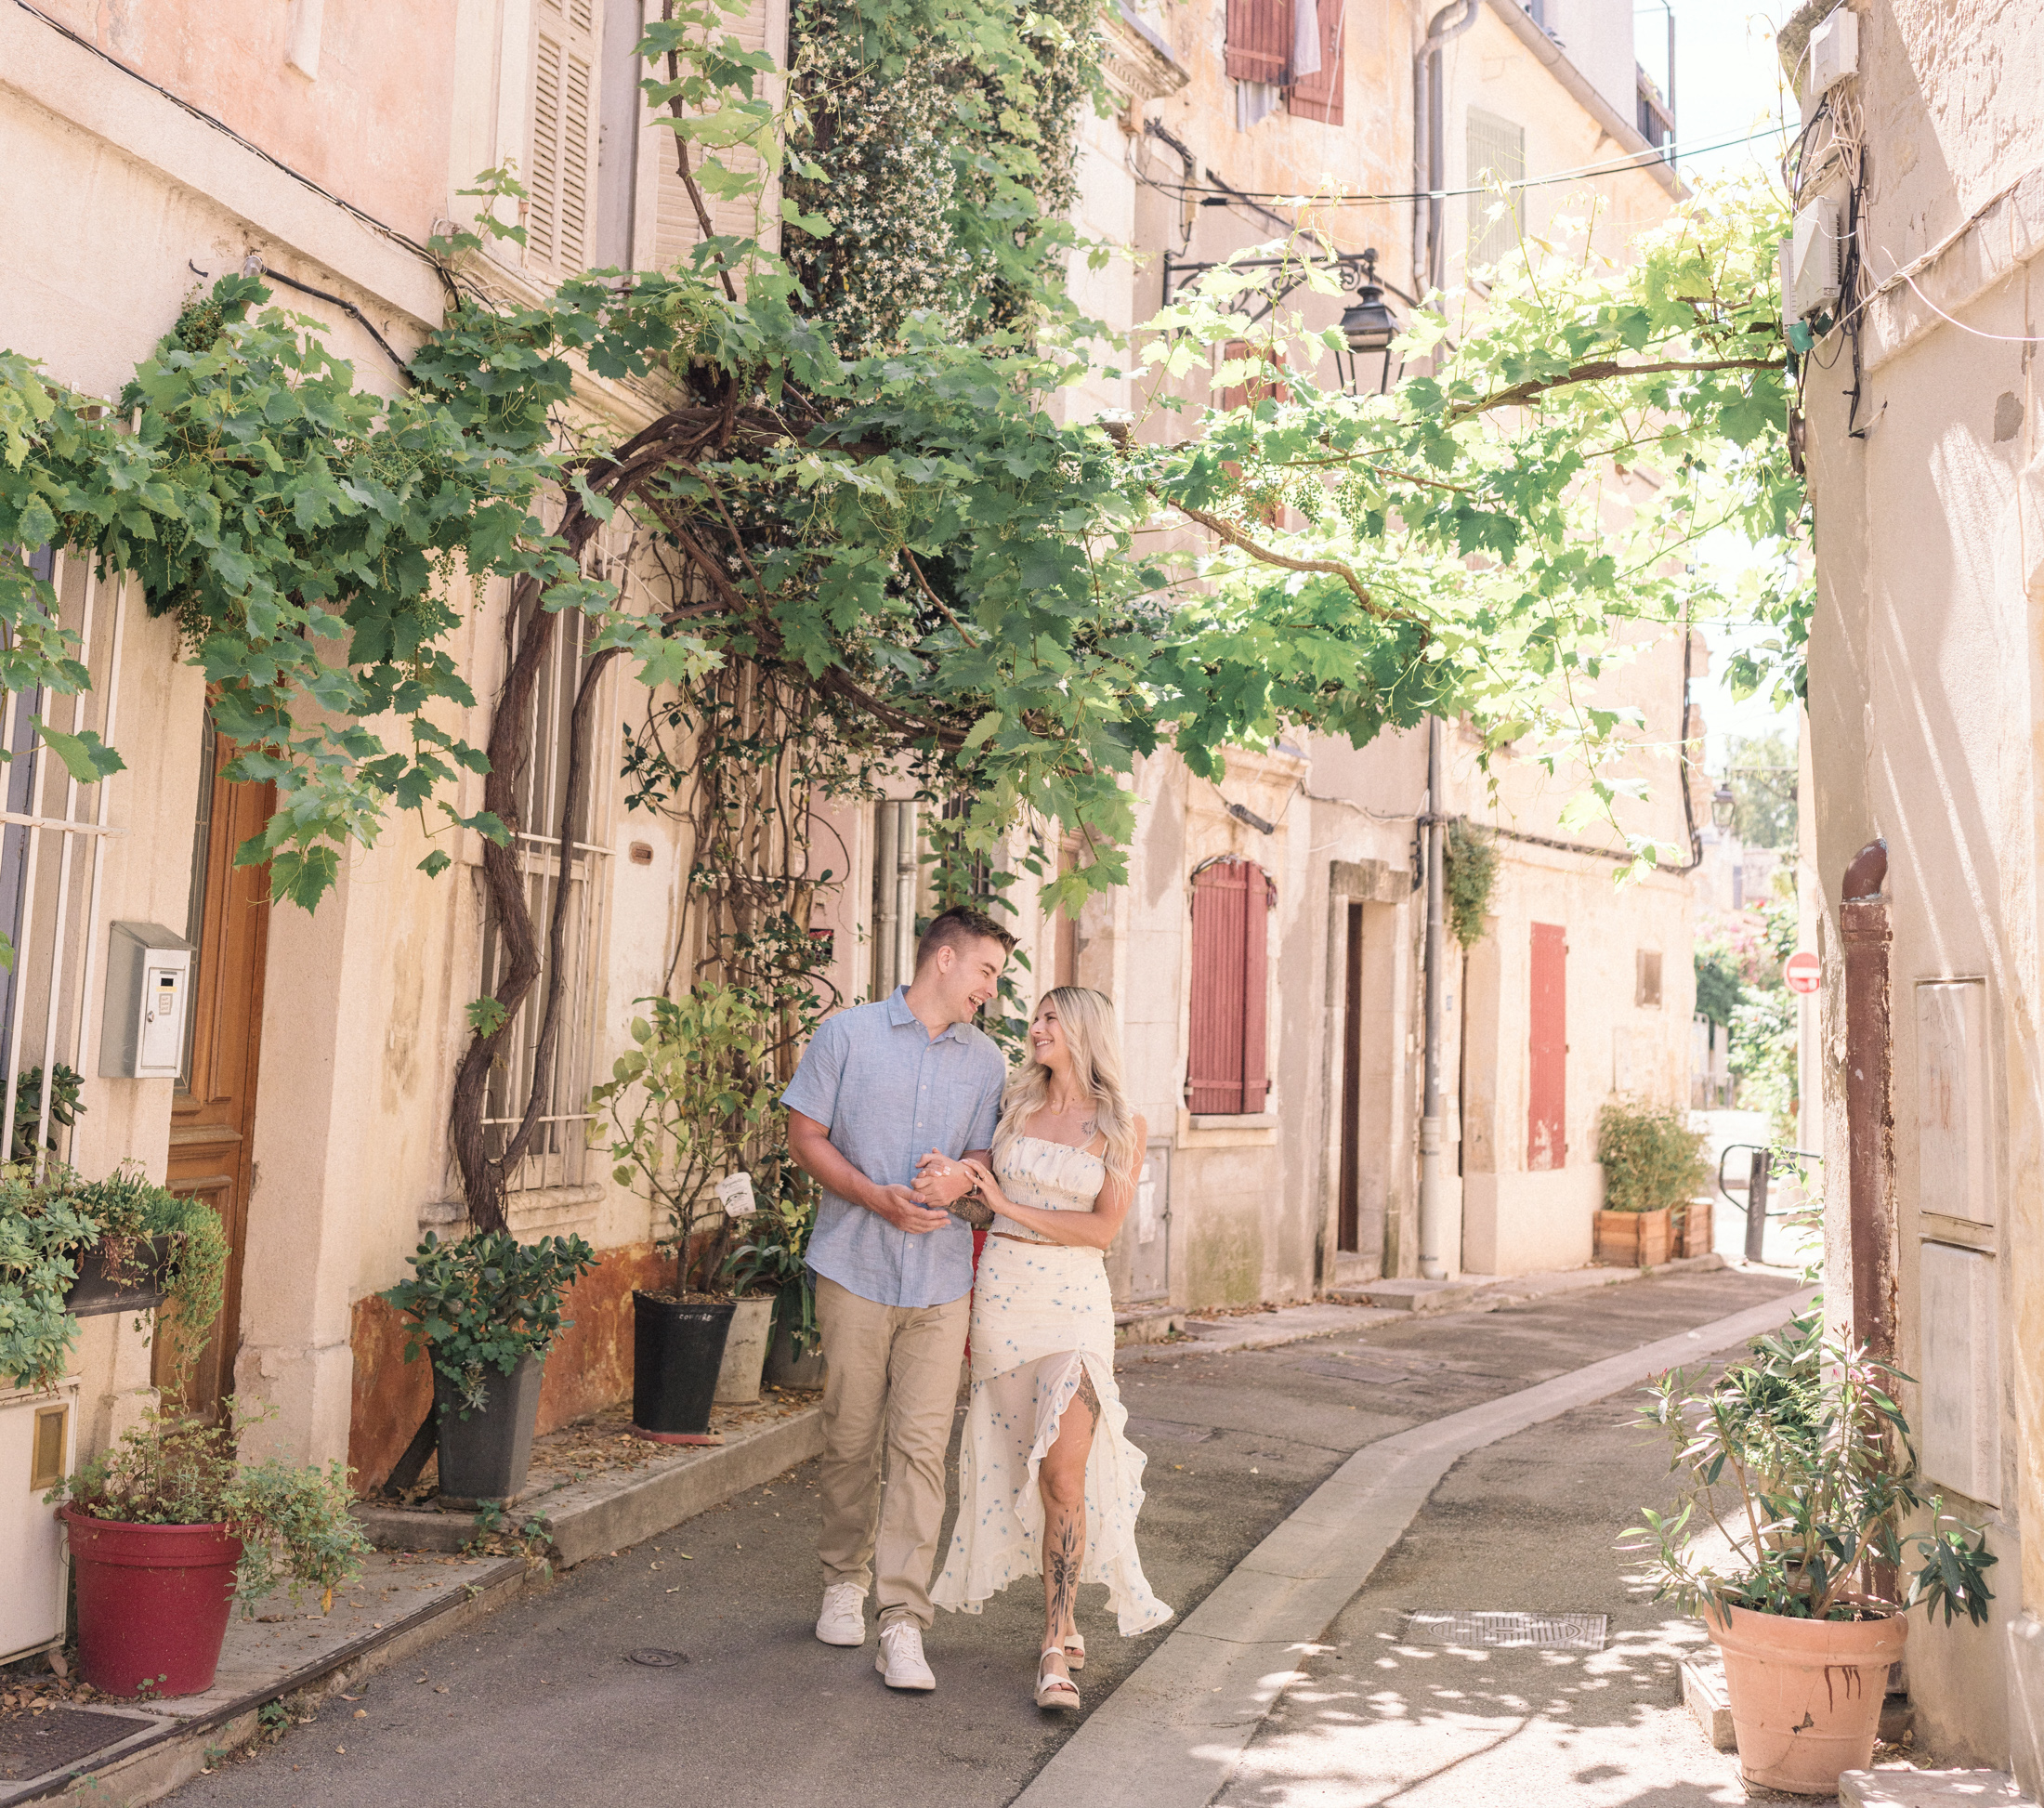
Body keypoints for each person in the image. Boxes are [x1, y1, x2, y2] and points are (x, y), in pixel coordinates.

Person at [781, 904, 1013, 1693]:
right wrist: (873, 1197)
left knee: (920, 1451)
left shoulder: (987, 1063)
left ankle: (903, 1621)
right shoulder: (846, 1036)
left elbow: (982, 1157)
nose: (991, 988)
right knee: (849, 1433)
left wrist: (961, 1176)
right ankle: (842, 1580)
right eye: (986, 970)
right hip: (853, 1265)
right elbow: (804, 1134)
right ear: (943, 960)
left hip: (943, 1279)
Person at [928, 985, 1173, 1710]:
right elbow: (982, 1201)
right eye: (1034, 1017)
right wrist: (959, 1187)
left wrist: (1003, 1203)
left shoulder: (1124, 1123)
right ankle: (1057, 1619)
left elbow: (1101, 1231)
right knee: (1021, 1462)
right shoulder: (1015, 1103)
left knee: (1065, 1472)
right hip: (1004, 1297)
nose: (1035, 1029)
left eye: (1049, 1019)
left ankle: (1055, 1641)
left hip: (1074, 1304)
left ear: (1084, 1031)